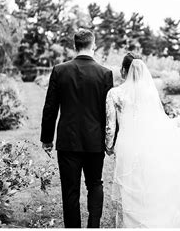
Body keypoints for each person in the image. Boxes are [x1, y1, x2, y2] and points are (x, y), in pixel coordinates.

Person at [105, 53, 180, 228]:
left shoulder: (115, 93)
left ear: (124, 70)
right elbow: (157, 121)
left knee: (130, 189)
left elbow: (110, 126)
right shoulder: (149, 92)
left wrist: (109, 146)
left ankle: (133, 225)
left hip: (126, 147)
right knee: (146, 186)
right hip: (149, 146)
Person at [40, 30, 113, 228]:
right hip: (94, 141)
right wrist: (109, 142)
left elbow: (50, 107)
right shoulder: (105, 74)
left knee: (70, 191)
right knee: (95, 184)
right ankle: (93, 226)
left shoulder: (59, 70)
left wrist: (47, 138)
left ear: (75, 46)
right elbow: (108, 113)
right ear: (93, 45)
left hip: (68, 141)